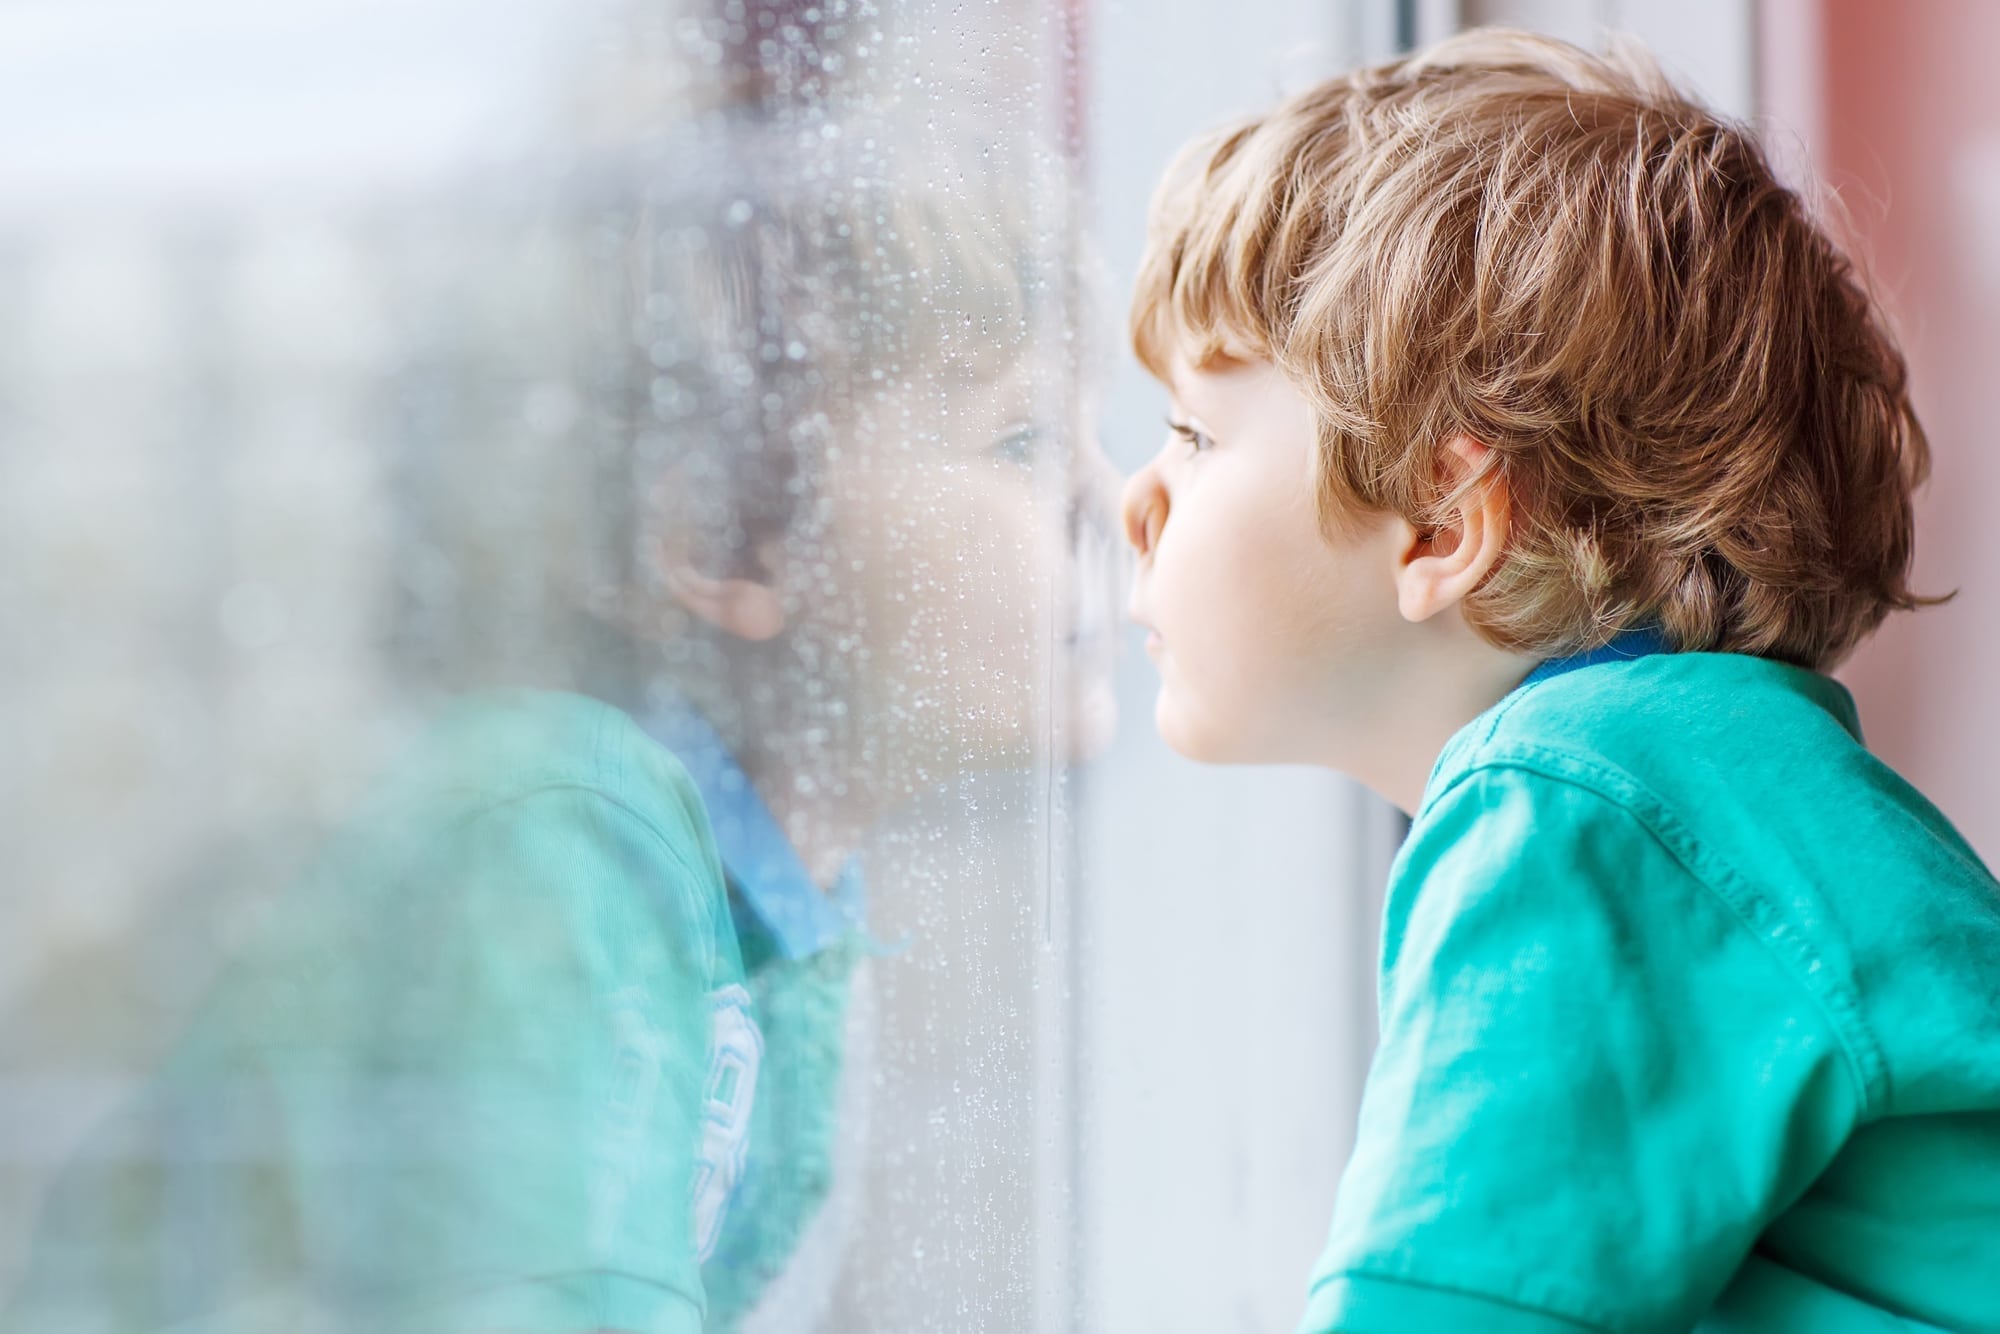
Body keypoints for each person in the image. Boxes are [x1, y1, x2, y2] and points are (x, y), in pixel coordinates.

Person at [5, 104, 1116, 1333]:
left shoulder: (771, 901)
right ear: (723, 537)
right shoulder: (562, 846)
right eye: (1018, 438)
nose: (1112, 499)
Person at [1119, 27, 2000, 1334]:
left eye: (1195, 432)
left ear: (1442, 521)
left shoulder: (1580, 802)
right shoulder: (1714, 784)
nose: (1141, 498)